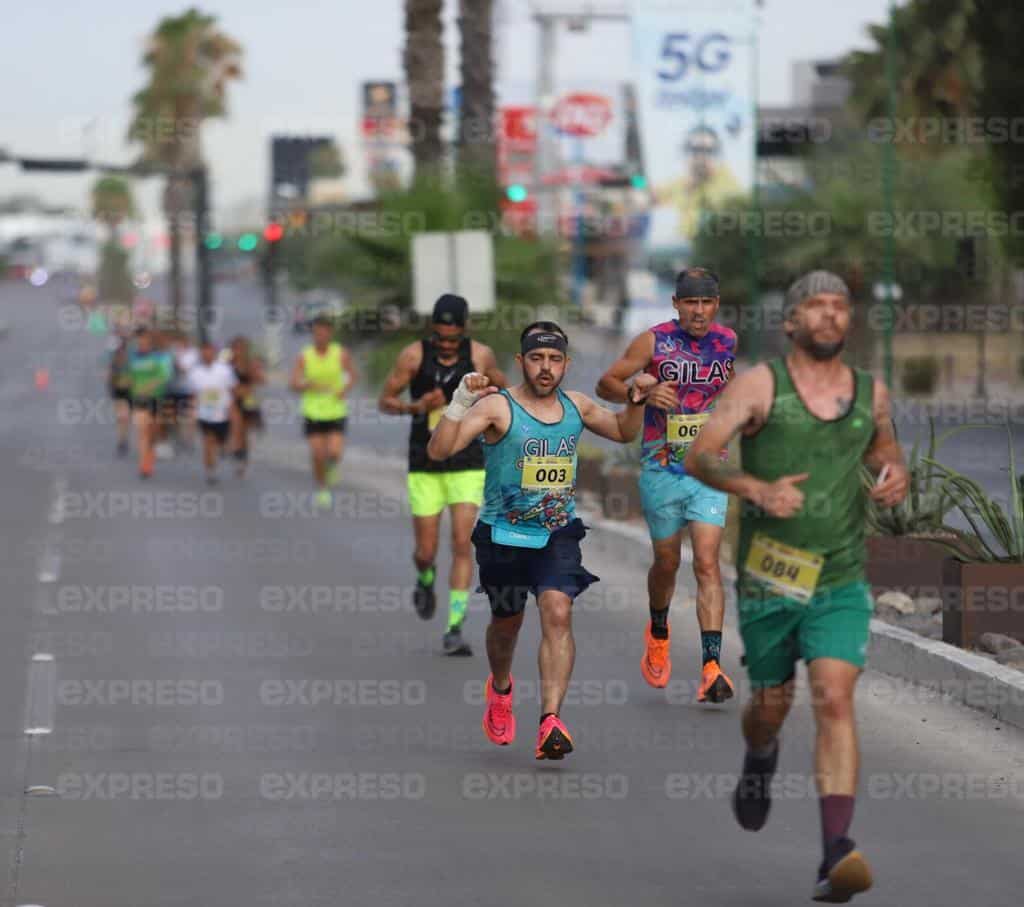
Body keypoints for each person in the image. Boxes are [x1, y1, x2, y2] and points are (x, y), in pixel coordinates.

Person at [684, 271, 909, 902]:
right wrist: (755, 489)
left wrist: (894, 478)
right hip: (770, 577)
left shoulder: (871, 390)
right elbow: (701, 454)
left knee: (835, 698)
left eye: (840, 307)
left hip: (839, 577)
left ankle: (835, 850)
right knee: (771, 705)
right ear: (790, 321)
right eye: (817, 306)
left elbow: (885, 451)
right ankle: (760, 754)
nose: (831, 316)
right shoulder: (761, 385)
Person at [427, 322, 656, 760]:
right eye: (537, 358)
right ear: (521, 362)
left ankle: (550, 720)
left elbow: (625, 431)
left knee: (557, 609)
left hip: (556, 532)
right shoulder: (498, 407)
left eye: (554, 359)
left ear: (566, 364)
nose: (545, 368)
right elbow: (440, 451)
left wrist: (635, 401)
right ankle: (500, 688)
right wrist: (458, 404)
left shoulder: (578, 406)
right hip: (502, 535)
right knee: (506, 624)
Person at [597, 266, 737, 703]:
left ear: (716, 304)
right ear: (677, 304)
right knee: (666, 562)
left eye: (706, 302)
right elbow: (607, 384)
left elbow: (728, 390)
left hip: (707, 470)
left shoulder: (728, 341)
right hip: (660, 468)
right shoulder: (653, 341)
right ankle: (659, 628)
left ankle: (712, 667)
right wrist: (643, 392)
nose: (699, 310)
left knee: (708, 563)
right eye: (690, 302)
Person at [379, 294, 507, 656]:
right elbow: (384, 400)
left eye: (453, 337)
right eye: (441, 336)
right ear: (432, 329)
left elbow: (505, 392)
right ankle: (425, 576)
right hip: (425, 462)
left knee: (463, 544)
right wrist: (414, 406)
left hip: (467, 461)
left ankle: (454, 627)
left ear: (464, 330)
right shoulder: (413, 356)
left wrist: (489, 396)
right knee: (426, 550)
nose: (447, 344)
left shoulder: (480, 355)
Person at [289, 315, 357, 509]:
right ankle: (322, 489)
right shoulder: (305, 355)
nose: (321, 336)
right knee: (318, 454)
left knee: (334, 452)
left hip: (335, 410)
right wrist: (305, 384)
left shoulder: (340, 353)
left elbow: (353, 375)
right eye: (317, 332)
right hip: (312, 411)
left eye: (324, 332)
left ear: (330, 333)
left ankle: (332, 466)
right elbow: (293, 383)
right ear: (313, 334)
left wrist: (345, 389)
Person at [126, 326, 174, 479]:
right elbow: (128, 376)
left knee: (153, 434)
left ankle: (149, 461)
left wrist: (150, 386)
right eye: (140, 339)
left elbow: (164, 376)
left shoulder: (158, 357)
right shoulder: (132, 357)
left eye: (146, 339)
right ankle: (144, 466)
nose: (143, 342)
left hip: (156, 398)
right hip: (139, 399)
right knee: (143, 432)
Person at [187, 340, 237, 485]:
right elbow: (193, 395)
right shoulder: (195, 373)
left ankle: (224, 447)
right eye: (204, 351)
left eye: (209, 351)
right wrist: (192, 414)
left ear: (214, 353)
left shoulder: (224, 370)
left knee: (221, 442)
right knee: (208, 442)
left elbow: (232, 390)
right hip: (205, 414)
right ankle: (210, 471)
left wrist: (232, 410)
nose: (207, 354)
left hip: (222, 413)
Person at [227, 336, 266, 478]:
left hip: (249, 401)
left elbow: (261, 380)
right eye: (236, 349)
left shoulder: (251, 364)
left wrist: (255, 373)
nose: (239, 352)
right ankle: (235, 450)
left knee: (245, 434)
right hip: (233, 401)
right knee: (236, 426)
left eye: (241, 349)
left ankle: (243, 459)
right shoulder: (228, 364)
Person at [107, 327, 134, 457]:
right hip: (118, 388)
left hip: (131, 388)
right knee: (122, 416)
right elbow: (109, 371)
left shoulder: (133, 353)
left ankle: (124, 438)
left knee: (127, 417)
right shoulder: (113, 353)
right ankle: (122, 440)